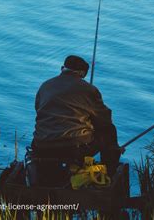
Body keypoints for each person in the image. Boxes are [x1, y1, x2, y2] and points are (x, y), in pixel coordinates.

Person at [29, 55, 122, 186]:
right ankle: (109, 171)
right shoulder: (89, 89)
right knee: (109, 130)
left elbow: (38, 109)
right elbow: (104, 120)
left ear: (63, 69)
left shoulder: (45, 86)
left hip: (42, 145)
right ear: (82, 73)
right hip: (73, 148)